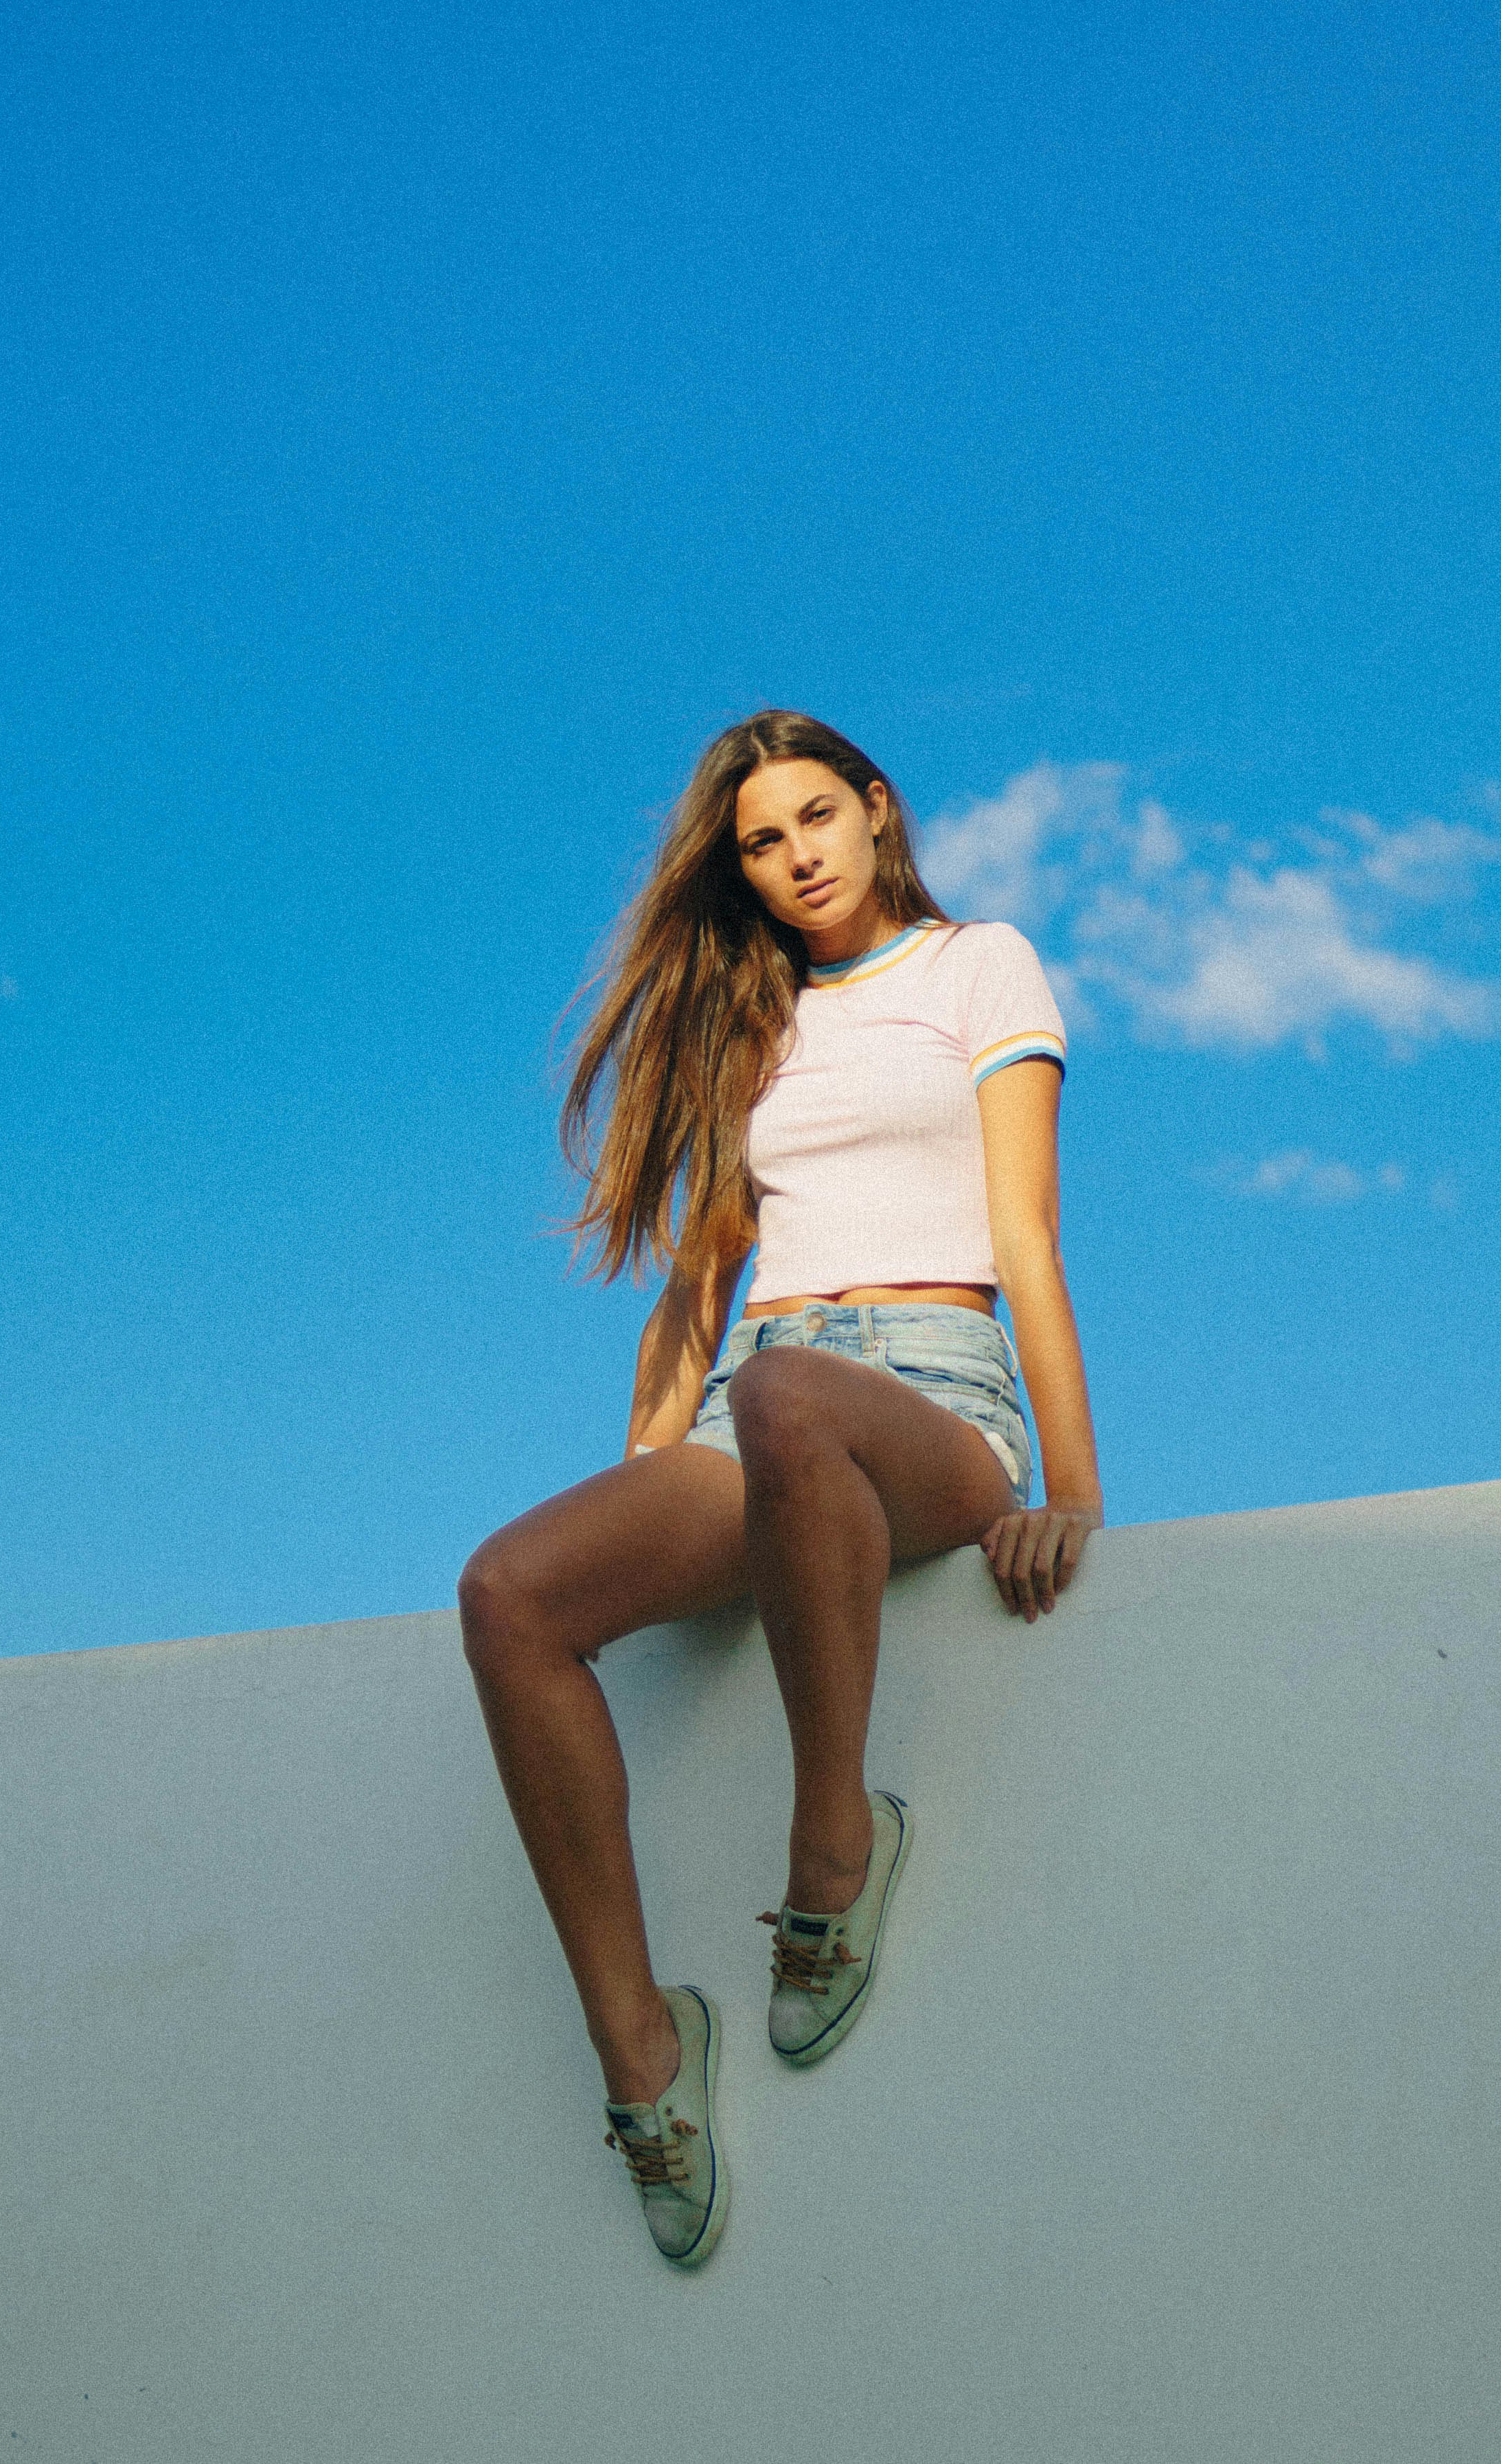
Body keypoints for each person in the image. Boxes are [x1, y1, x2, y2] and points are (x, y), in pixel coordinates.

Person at [458, 710, 1103, 2266]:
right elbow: (699, 1275)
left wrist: (1071, 1487)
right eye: (761, 838)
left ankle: (834, 1848)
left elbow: (1025, 1236)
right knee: (510, 1593)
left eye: (818, 815)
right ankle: (643, 2056)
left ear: (877, 814)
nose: (796, 852)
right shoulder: (752, 1027)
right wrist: (648, 1476)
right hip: (763, 1409)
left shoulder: (978, 969)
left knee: (795, 1392)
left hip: (929, 1396)